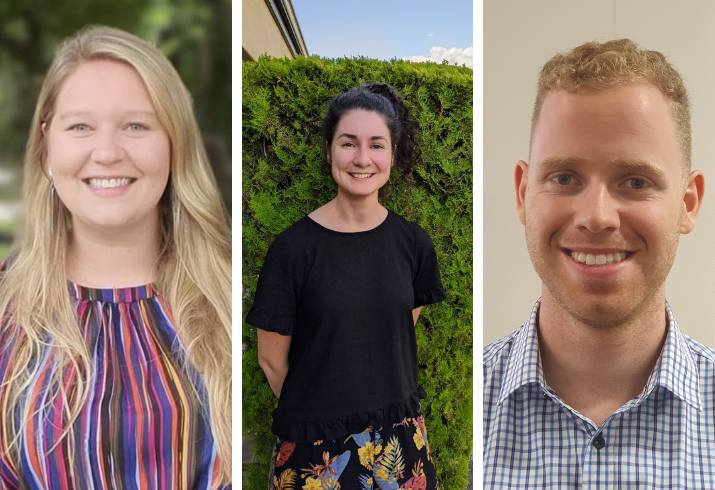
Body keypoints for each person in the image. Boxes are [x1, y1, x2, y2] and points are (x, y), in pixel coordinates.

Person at [0, 26, 231, 489]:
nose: (106, 152)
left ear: (174, 142)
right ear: (47, 144)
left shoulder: (228, 296)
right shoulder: (6, 304)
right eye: (80, 126)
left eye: (136, 126)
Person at [482, 38, 711, 488]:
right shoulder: (467, 402)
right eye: (564, 177)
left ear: (688, 203)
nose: (596, 217)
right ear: (523, 193)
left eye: (636, 181)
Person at [246, 83, 447, 489]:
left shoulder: (413, 244)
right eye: (348, 143)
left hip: (401, 442)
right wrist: (325, 413)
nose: (362, 159)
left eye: (376, 144)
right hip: (315, 449)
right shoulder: (292, 250)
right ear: (329, 151)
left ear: (392, 154)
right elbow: (271, 360)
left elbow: (397, 328)